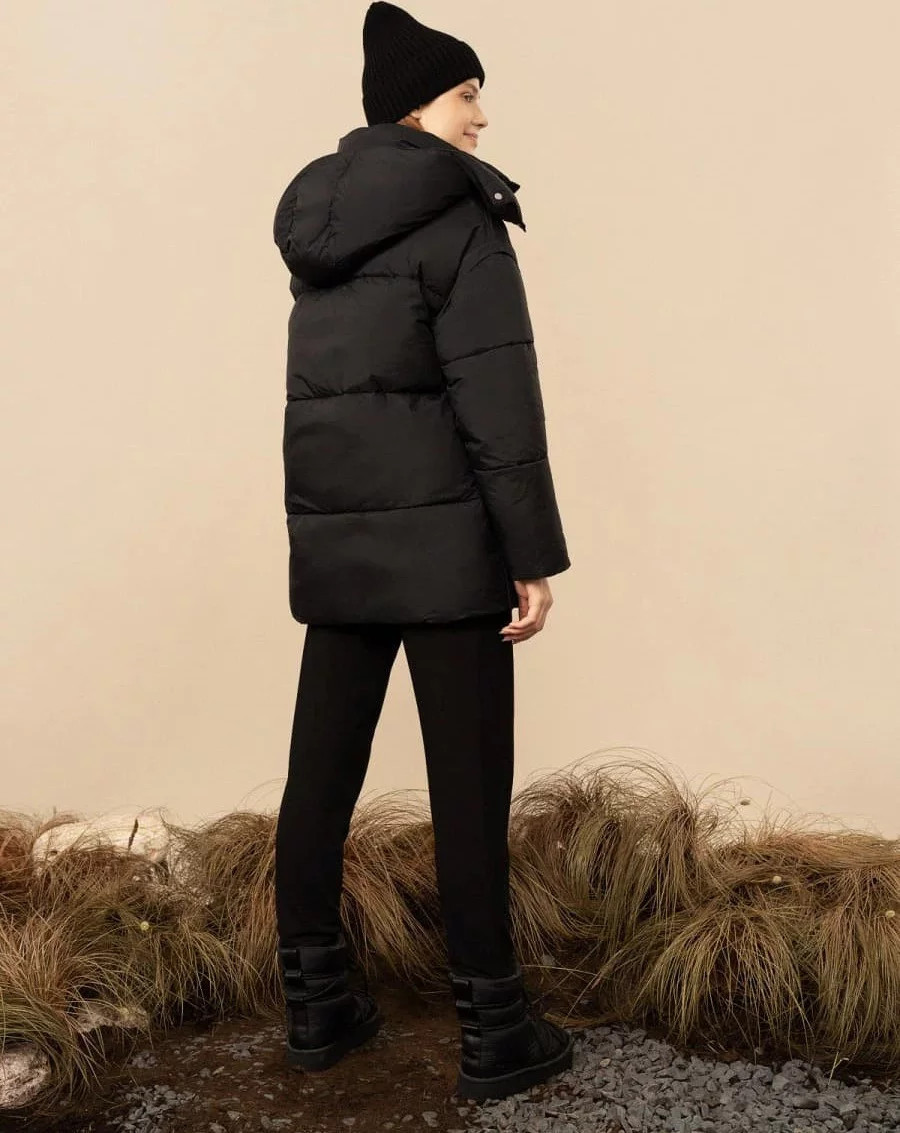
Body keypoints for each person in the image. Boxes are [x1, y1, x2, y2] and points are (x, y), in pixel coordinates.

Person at [271, 1, 573, 1102]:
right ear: (415, 107)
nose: (481, 117)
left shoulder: (319, 224)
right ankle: (496, 1027)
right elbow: (497, 399)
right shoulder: (460, 215)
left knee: (319, 778)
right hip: (449, 551)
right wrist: (530, 553)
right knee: (469, 786)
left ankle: (315, 1005)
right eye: (465, 94)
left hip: (343, 548)